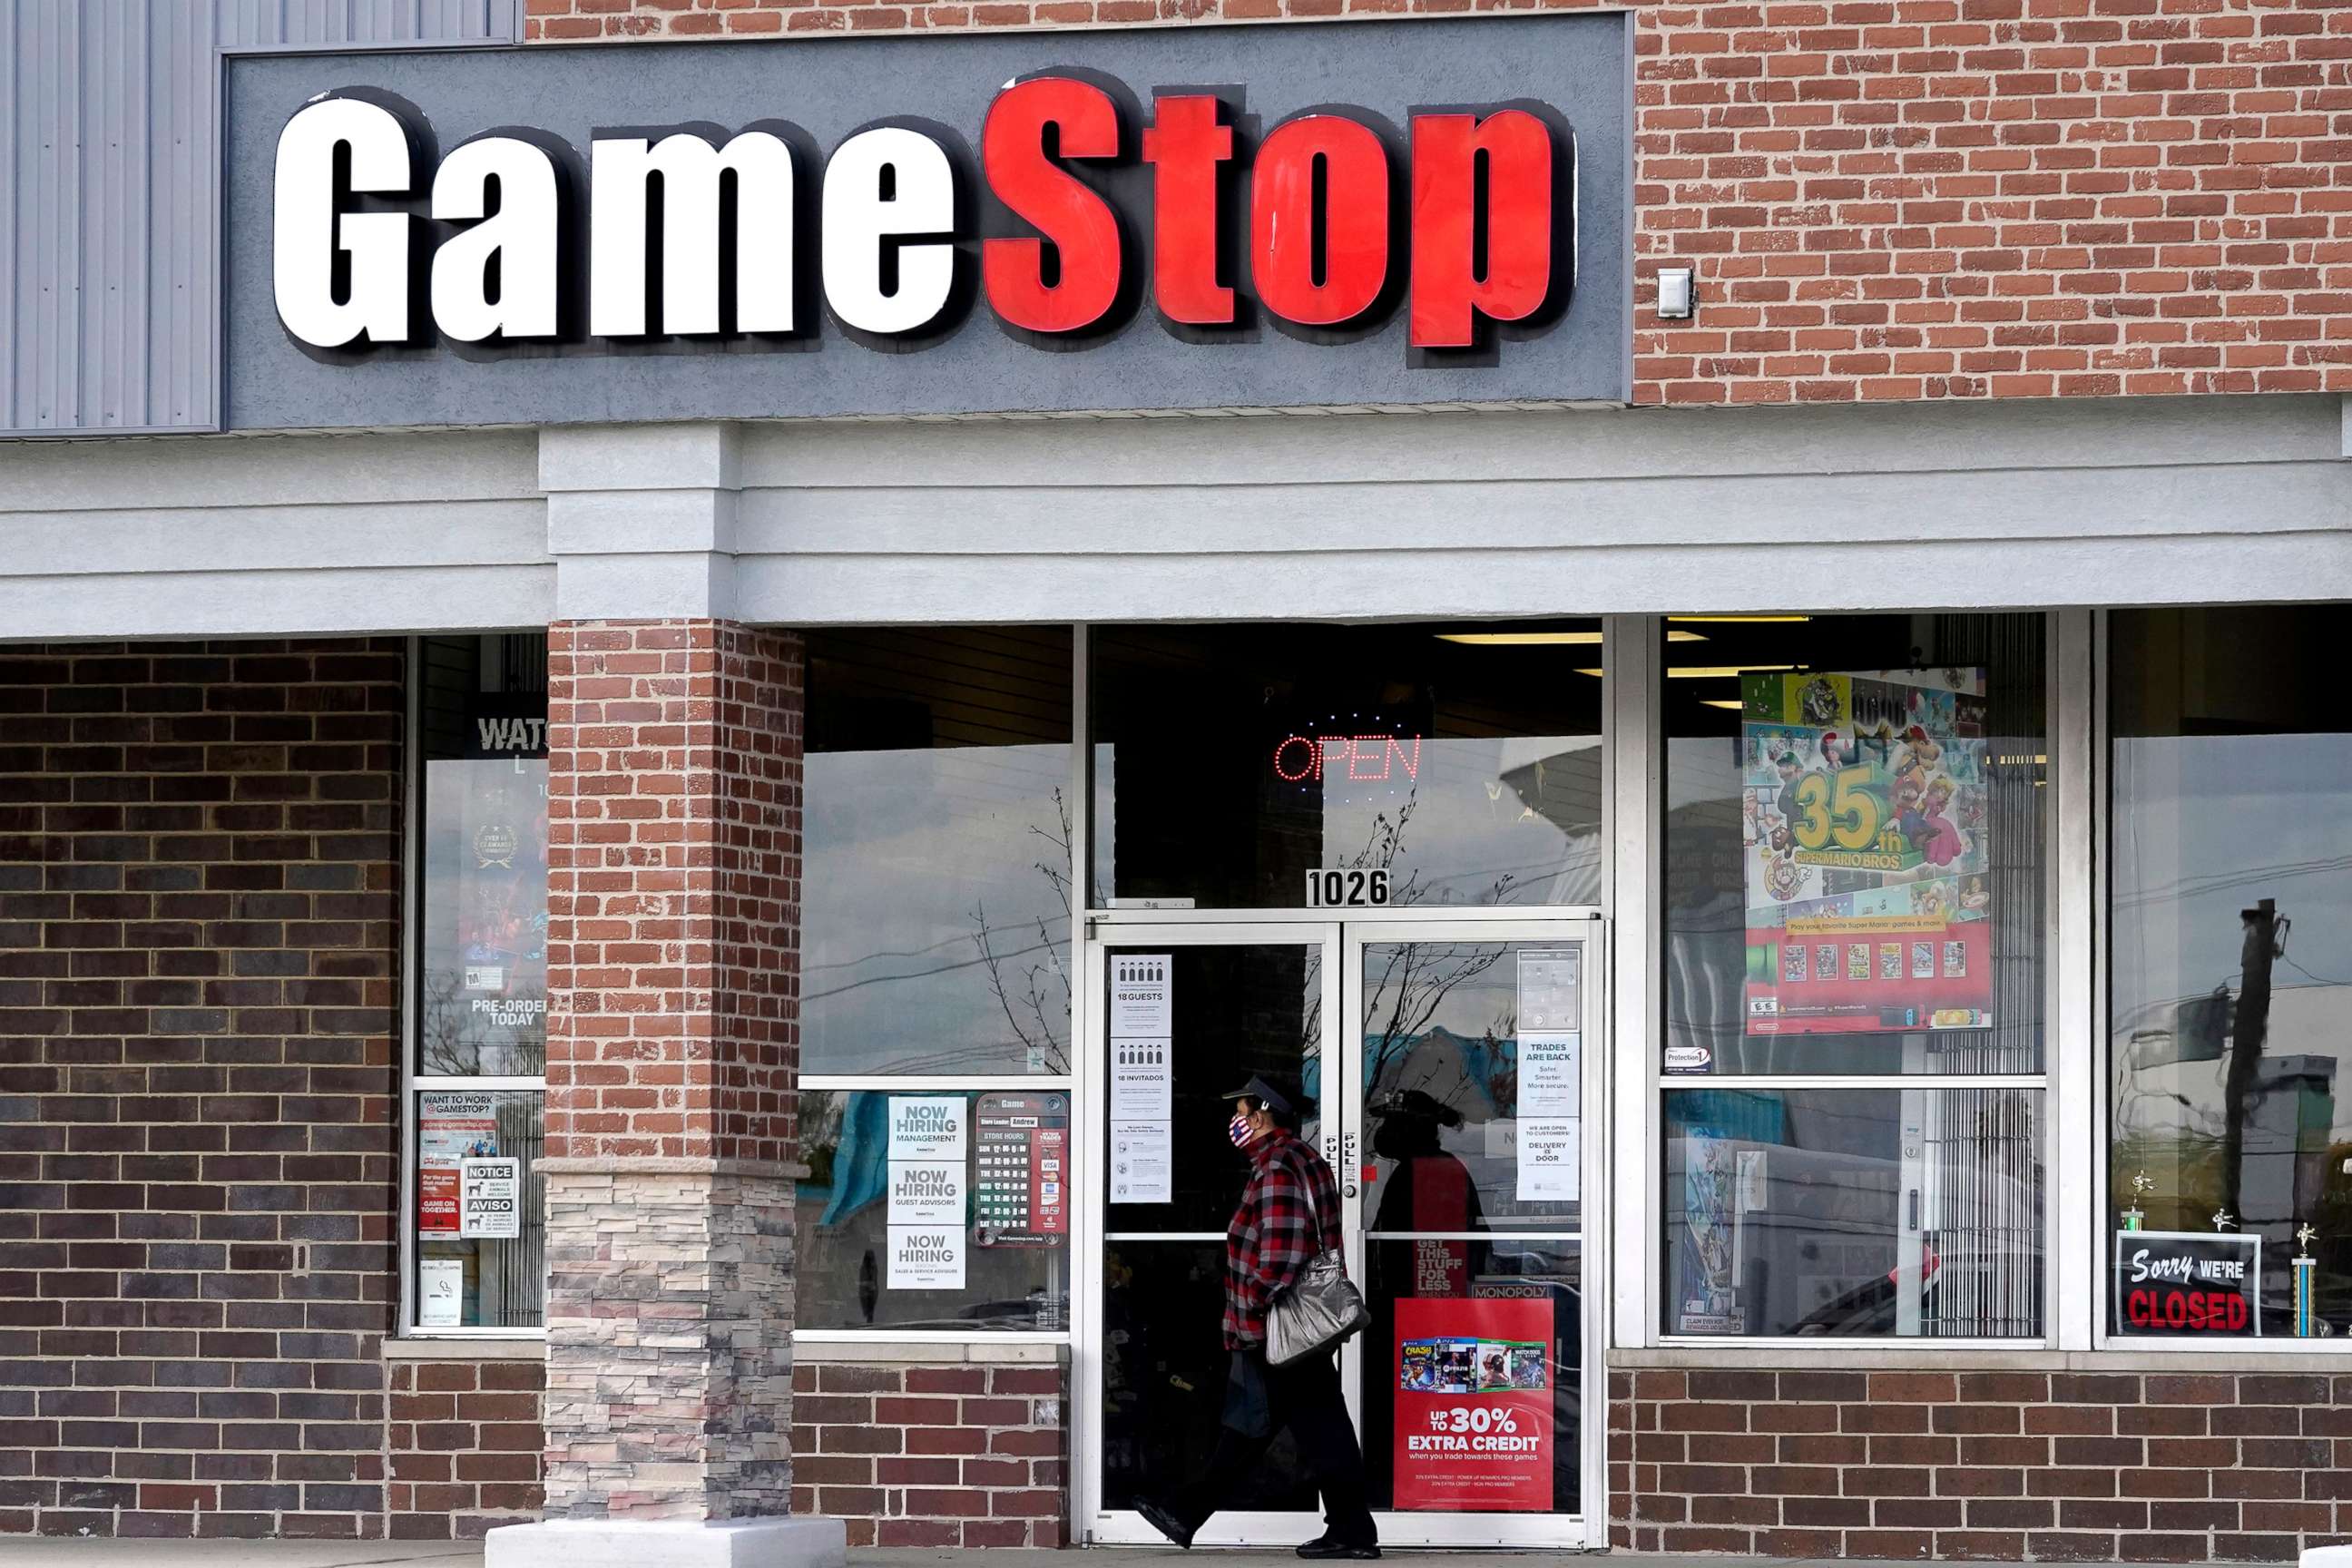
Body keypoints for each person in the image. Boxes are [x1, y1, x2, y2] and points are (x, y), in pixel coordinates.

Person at [1138, 1075, 1380, 1561]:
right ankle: (1188, 1512)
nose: (1237, 1121)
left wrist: (1253, 1302)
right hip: (1294, 1324)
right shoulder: (1303, 1159)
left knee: (1308, 1427)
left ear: (1262, 1115)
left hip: (1280, 1325)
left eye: (1242, 1111)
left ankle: (1351, 1531)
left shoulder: (1277, 1167)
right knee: (1270, 1423)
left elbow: (1282, 1251)